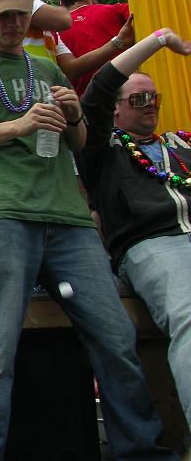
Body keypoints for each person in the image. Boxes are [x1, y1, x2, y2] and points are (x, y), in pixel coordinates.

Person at [0, 0, 177, 461]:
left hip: (70, 221)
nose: (15, 24)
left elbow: (78, 143)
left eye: (23, 15)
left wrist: (75, 114)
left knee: (116, 337)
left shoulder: (47, 68)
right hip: (2, 217)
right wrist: (18, 125)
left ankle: (142, 451)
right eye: (5, 16)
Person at [79, 28, 191, 427]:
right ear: (115, 110)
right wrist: (159, 40)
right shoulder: (103, 151)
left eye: (154, 98)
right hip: (154, 244)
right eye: (138, 99)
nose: (150, 106)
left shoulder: (181, 146)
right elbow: (97, 89)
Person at [0, 0, 134, 85]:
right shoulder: (17, 3)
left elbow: (71, 68)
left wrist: (118, 41)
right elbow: (64, 20)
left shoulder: (48, 28)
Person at [58, 0, 133, 96]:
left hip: (84, 101)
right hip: (126, 94)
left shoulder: (56, 32)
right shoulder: (116, 10)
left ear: (61, 3)